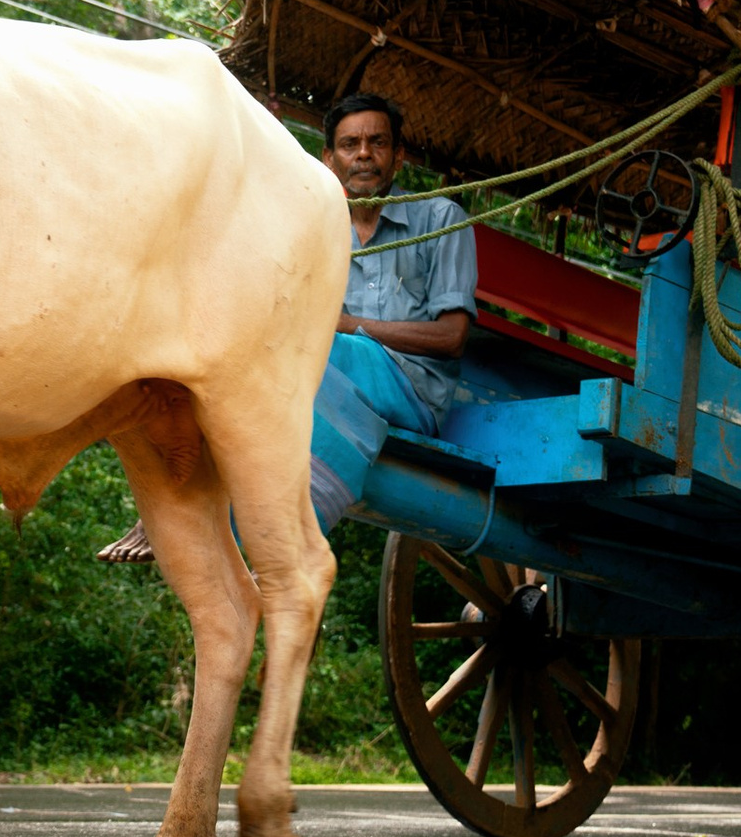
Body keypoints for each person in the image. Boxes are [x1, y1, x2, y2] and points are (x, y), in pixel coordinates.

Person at [97, 92, 477, 562]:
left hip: (414, 388)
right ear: (329, 159)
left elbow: (452, 338)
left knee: (310, 349)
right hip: (333, 373)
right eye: (350, 144)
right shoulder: (316, 230)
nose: (363, 154)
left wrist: (348, 326)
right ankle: (182, 494)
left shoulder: (441, 219)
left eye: (377, 143)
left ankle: (270, 537)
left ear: (398, 156)